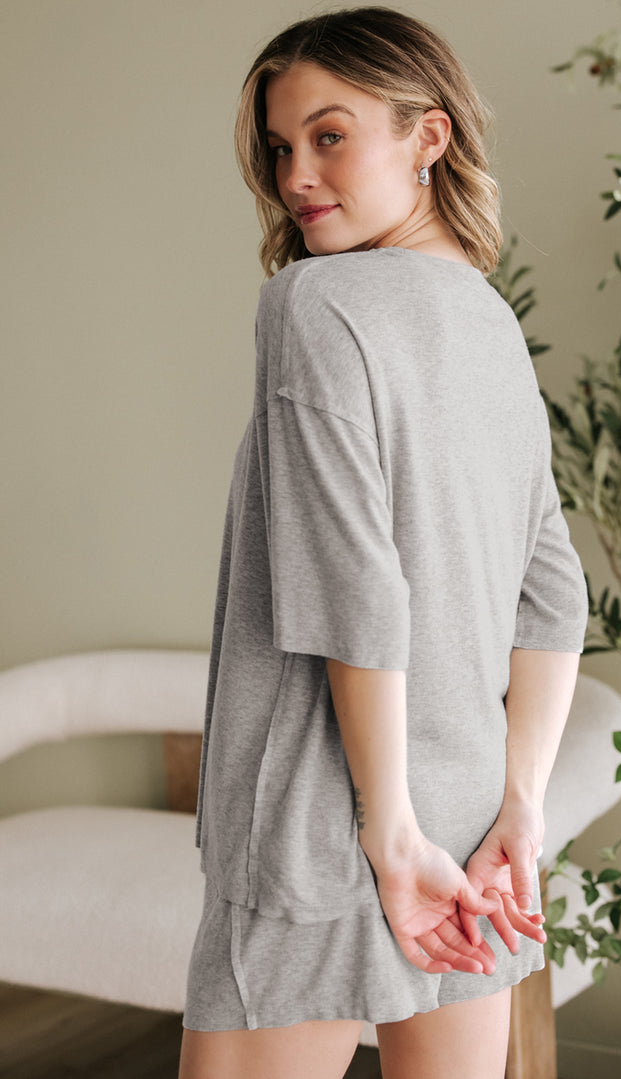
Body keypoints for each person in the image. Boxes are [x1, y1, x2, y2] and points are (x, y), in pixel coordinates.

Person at [179, 7, 588, 1078]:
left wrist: (387, 831)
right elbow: (553, 594)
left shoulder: (314, 303)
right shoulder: (491, 323)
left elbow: (356, 592)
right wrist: (519, 808)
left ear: (428, 136)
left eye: (329, 135)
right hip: (469, 829)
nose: (295, 176)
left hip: (324, 820)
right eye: (280, 147)